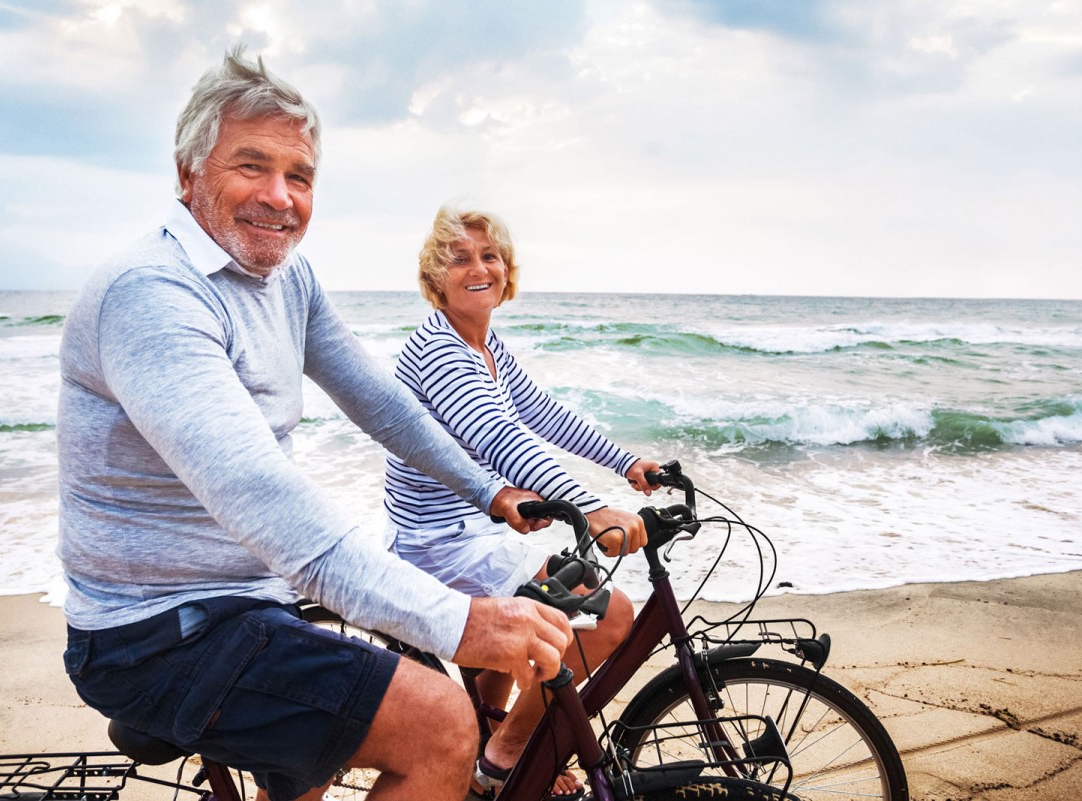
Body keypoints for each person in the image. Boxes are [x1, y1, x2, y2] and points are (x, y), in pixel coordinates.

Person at [56, 48, 572, 801]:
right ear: (187, 172)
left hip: (246, 602)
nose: (280, 196)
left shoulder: (284, 276)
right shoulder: (153, 295)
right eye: (251, 166)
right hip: (156, 632)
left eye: (299, 176)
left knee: (339, 729)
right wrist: (460, 619)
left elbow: (379, 401)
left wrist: (488, 490)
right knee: (443, 721)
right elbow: (261, 494)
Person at [383, 205, 660, 796]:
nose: (479, 267)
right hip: (439, 545)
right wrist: (590, 508)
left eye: (490, 255)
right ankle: (505, 756)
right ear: (435, 278)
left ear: (508, 271)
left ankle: (489, 743)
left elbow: (543, 417)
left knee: (540, 623)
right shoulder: (439, 351)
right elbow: (496, 435)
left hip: (469, 534)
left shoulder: (485, 347)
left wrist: (626, 463)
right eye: (459, 258)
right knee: (608, 617)